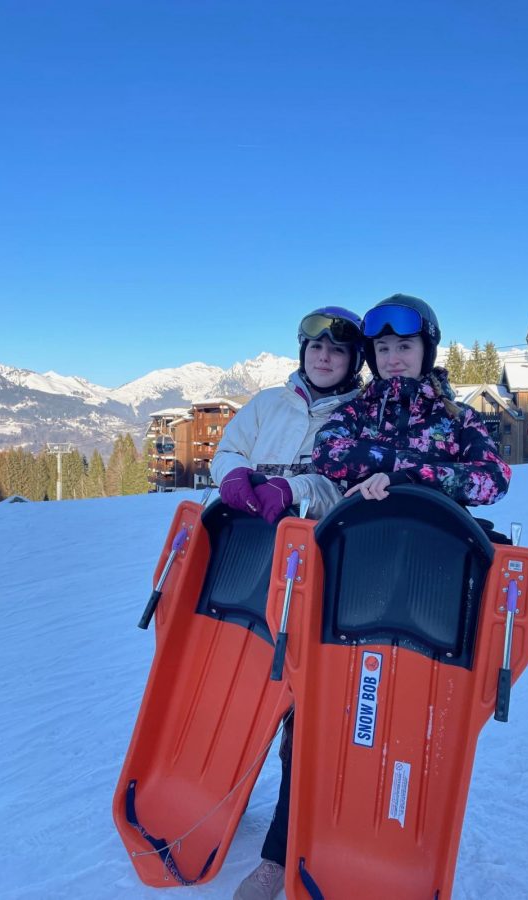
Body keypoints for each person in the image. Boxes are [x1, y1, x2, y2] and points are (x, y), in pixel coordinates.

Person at [210, 306, 364, 900]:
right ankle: (211, 798)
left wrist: (292, 488)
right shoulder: (266, 405)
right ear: (302, 353)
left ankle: (279, 850)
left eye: (338, 351)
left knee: (302, 699)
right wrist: (233, 477)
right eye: (315, 348)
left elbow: (339, 483)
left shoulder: (353, 415)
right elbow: (231, 448)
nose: (324, 358)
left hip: (320, 573)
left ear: (352, 362)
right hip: (249, 569)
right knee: (246, 685)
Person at [312, 294, 511, 506]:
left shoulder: (459, 418)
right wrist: (408, 463)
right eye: (383, 348)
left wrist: (412, 477)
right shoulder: (357, 411)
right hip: (363, 530)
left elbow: (494, 478)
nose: (392, 360)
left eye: (404, 346)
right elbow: (325, 451)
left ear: (427, 351)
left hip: (436, 531)